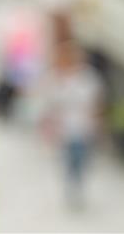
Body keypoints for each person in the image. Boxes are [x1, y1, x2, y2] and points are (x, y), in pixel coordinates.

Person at [39, 40, 104, 211]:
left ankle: (78, 186)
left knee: (81, 159)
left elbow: (96, 101)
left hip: (83, 126)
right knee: (68, 160)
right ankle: (71, 190)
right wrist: (50, 126)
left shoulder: (88, 77)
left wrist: (97, 122)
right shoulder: (55, 78)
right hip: (64, 129)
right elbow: (49, 105)